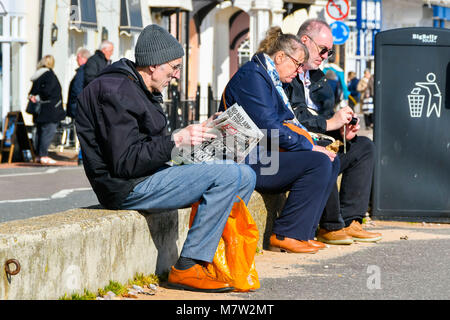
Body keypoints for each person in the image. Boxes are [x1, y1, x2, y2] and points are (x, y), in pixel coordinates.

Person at [75, 24, 256, 293]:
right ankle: (188, 265)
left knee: (245, 175)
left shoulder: (137, 88)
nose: (177, 75)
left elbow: (151, 145)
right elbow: (125, 162)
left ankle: (213, 260)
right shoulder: (114, 91)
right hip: (127, 187)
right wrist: (177, 140)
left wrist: (203, 134)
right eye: (174, 67)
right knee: (227, 174)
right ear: (153, 65)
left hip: (151, 173)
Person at [219, 26, 339, 254]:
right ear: (281, 56)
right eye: (297, 63)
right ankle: (286, 234)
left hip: (264, 153)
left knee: (331, 159)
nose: (299, 70)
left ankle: (304, 232)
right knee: (319, 161)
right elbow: (270, 127)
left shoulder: (270, 79)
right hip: (247, 158)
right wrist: (308, 147)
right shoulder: (253, 77)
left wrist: (312, 144)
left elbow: (283, 123)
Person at [286, 19, 381, 244]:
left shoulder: (321, 79)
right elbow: (294, 118)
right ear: (304, 41)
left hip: (318, 141)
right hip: (296, 147)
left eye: (330, 51)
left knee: (364, 146)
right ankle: (330, 225)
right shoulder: (286, 74)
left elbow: (326, 122)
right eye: (323, 49)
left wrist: (342, 131)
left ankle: (351, 220)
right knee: (324, 154)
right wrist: (330, 124)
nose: (326, 56)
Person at [28, 55, 66, 164]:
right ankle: (43, 155)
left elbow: (32, 92)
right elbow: (48, 92)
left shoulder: (37, 75)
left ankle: (38, 155)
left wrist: (35, 97)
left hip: (39, 110)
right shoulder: (49, 75)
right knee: (47, 132)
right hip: (50, 110)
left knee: (39, 133)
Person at [67, 48, 90, 120]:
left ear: (81, 57)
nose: (76, 60)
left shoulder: (82, 71)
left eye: (77, 57)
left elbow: (76, 89)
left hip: (78, 108)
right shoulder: (89, 70)